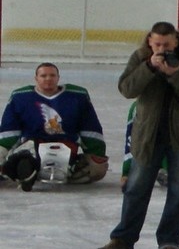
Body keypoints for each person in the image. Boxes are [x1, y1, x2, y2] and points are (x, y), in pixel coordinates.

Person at [96, 21, 179, 249]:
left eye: (167, 44)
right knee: (136, 188)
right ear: (149, 41)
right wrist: (149, 67)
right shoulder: (141, 57)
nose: (162, 49)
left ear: (176, 41)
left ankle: (169, 242)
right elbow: (127, 88)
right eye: (157, 44)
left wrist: (176, 74)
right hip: (147, 135)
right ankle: (122, 239)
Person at [0, 62, 108, 191]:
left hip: (67, 146)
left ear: (58, 78)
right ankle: (25, 168)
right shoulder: (20, 97)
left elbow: (90, 127)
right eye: (43, 75)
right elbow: (10, 128)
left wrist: (96, 153)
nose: (48, 79)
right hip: (33, 146)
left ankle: (42, 172)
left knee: (98, 170)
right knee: (21, 160)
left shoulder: (77, 96)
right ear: (36, 78)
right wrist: (2, 152)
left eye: (52, 75)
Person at [120, 100, 179, 192]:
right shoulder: (140, 107)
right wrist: (127, 171)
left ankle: (171, 167)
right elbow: (132, 140)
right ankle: (163, 166)